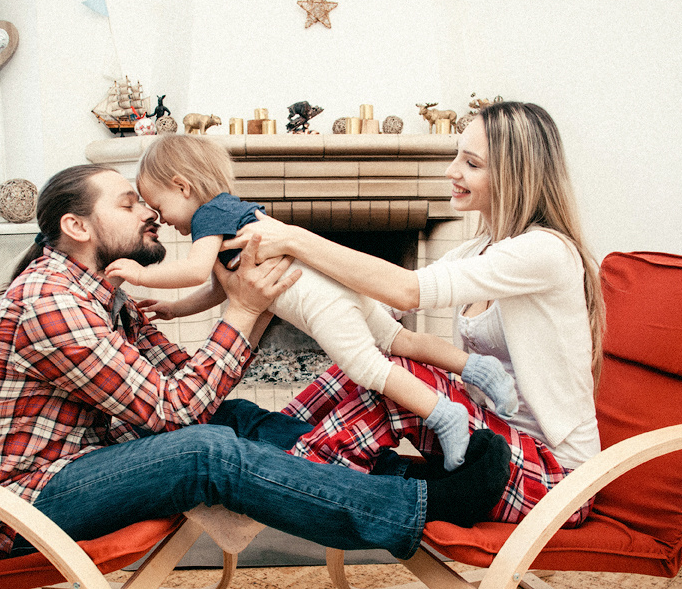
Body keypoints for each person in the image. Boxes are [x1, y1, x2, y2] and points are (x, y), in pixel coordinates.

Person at [0, 163, 510, 561]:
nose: (150, 212)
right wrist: (243, 307)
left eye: (146, 199)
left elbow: (187, 384)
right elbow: (175, 414)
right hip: (20, 503)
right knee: (203, 452)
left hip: (82, 462)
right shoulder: (52, 303)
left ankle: (408, 475)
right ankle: (417, 506)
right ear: (78, 227)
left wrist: (261, 302)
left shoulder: (103, 292)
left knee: (235, 418)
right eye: (129, 203)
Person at [229, 101, 605, 527]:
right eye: (456, 155)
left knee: (403, 378)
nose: (451, 171)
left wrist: (294, 239)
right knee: (365, 366)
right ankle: (271, 439)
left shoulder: (545, 252)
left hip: (557, 480)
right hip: (487, 452)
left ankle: (273, 480)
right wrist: (285, 290)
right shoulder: (476, 250)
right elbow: (381, 303)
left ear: (513, 174)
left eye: (471, 163)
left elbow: (407, 292)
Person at [105, 134, 517, 470]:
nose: (165, 222)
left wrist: (141, 274)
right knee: (396, 339)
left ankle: (445, 414)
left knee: (368, 367)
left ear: (183, 186)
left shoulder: (208, 217)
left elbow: (196, 271)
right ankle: (480, 369)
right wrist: (176, 309)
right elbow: (221, 287)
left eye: (161, 208)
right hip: (335, 286)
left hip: (321, 304)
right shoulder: (230, 212)